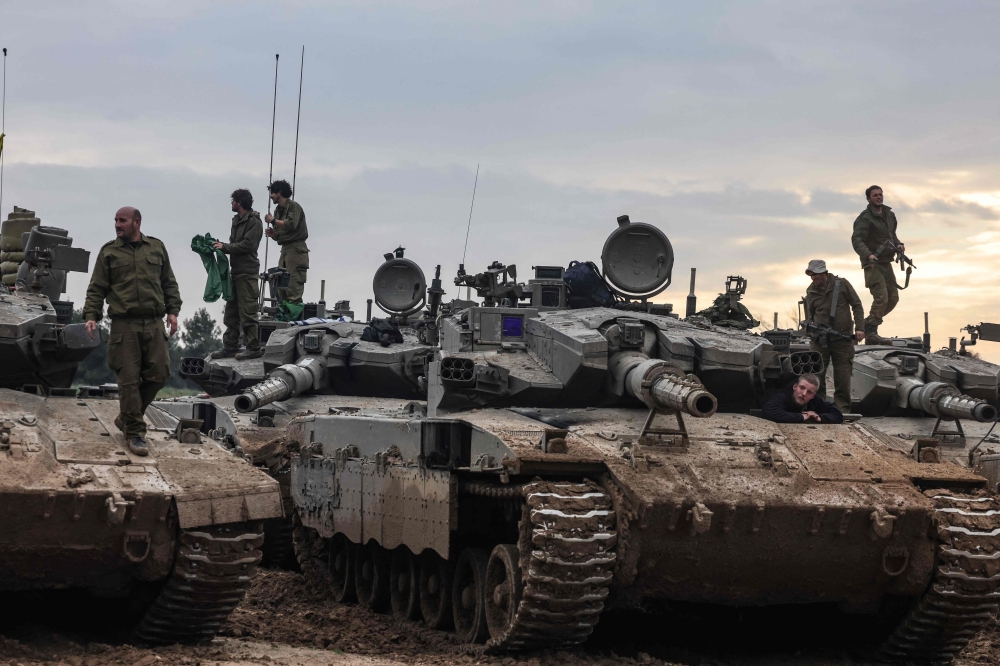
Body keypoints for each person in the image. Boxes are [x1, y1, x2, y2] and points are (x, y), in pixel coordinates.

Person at [82, 207, 181, 457]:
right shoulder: (109, 252)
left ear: (136, 223)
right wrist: (91, 315)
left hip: (154, 322)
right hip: (124, 325)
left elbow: (168, 281)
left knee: (159, 374)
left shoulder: (156, 248)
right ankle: (135, 433)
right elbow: (97, 288)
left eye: (122, 221)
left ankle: (127, 417)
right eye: (115, 220)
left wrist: (173, 311)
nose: (117, 224)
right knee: (127, 381)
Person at [803, 259, 864, 412]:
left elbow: (856, 305)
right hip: (819, 341)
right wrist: (812, 332)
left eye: (815, 275)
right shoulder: (810, 292)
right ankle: (818, 409)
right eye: (811, 275)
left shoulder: (842, 284)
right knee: (816, 377)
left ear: (824, 273)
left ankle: (841, 411)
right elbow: (808, 317)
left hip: (842, 340)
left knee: (842, 377)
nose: (813, 278)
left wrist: (860, 328)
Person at [211, 189, 263, 360]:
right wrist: (222, 246)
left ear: (239, 202)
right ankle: (230, 346)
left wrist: (225, 247)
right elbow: (235, 244)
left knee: (248, 312)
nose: (232, 203)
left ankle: (253, 348)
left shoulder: (254, 222)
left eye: (233, 200)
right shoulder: (237, 220)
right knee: (231, 313)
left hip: (247, 273)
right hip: (236, 272)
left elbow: (248, 245)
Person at [851, 185, 904, 343]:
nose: (879, 197)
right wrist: (868, 255)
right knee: (882, 297)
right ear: (868, 199)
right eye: (875, 195)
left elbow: (891, 235)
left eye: (881, 194)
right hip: (873, 263)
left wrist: (899, 244)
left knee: (893, 298)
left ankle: (868, 324)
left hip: (887, 262)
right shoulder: (864, 218)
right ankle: (872, 332)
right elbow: (856, 239)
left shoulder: (889, 215)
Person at [264, 179, 309, 304]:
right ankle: (284, 314)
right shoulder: (278, 210)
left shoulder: (293, 206)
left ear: (279, 193)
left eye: (272, 192)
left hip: (296, 250)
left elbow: (291, 224)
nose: (271, 196)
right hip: (285, 249)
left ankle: (294, 317)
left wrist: (273, 221)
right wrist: (275, 235)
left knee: (293, 287)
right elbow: (282, 232)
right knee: (281, 286)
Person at [762, 374, 844, 424]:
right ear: (795, 387)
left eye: (809, 392)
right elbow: (769, 411)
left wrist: (819, 417)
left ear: (813, 396)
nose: (804, 394)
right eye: (802, 388)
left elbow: (838, 415)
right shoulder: (783, 396)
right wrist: (801, 417)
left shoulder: (815, 400)